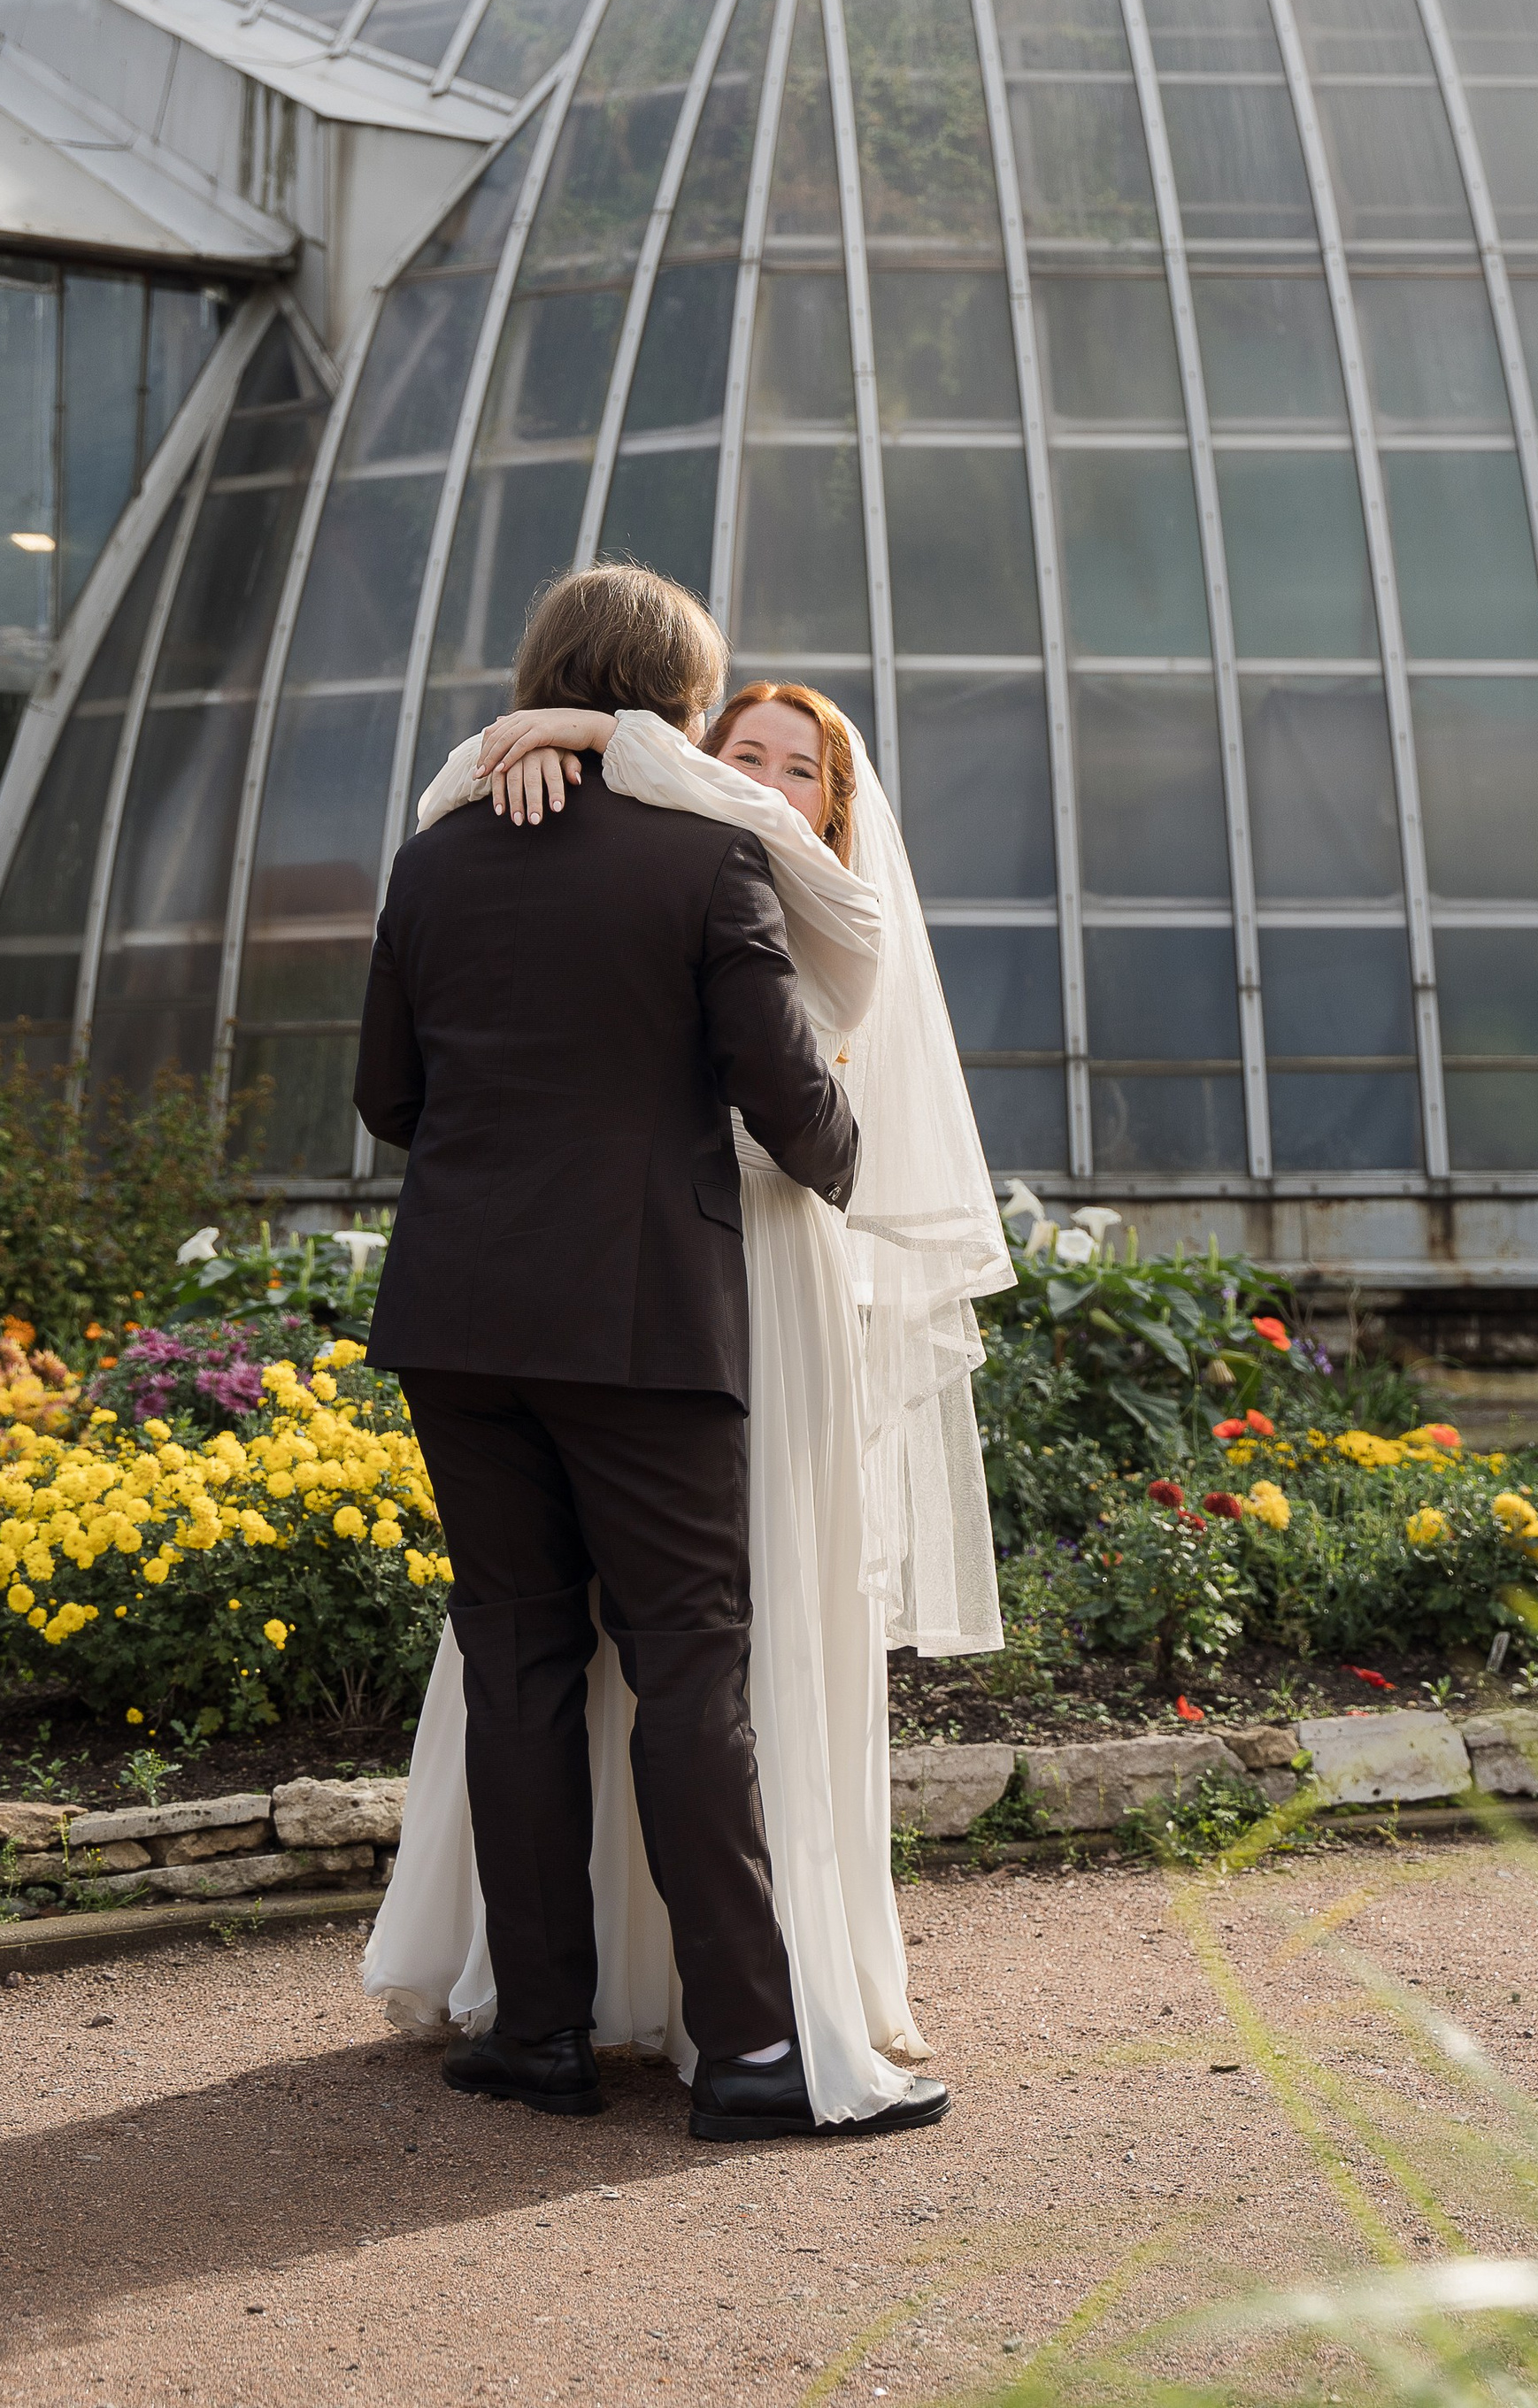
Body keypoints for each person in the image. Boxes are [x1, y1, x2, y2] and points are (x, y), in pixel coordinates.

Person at [360, 573, 1009, 2137]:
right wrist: (867, 1149)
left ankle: (539, 2038)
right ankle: (753, 2055)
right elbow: (790, 1104)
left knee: (518, 1668)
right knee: (688, 1672)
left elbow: (390, 1101)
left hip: (456, 1319)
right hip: (643, 1321)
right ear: (683, 704)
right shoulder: (713, 856)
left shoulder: (438, 856)